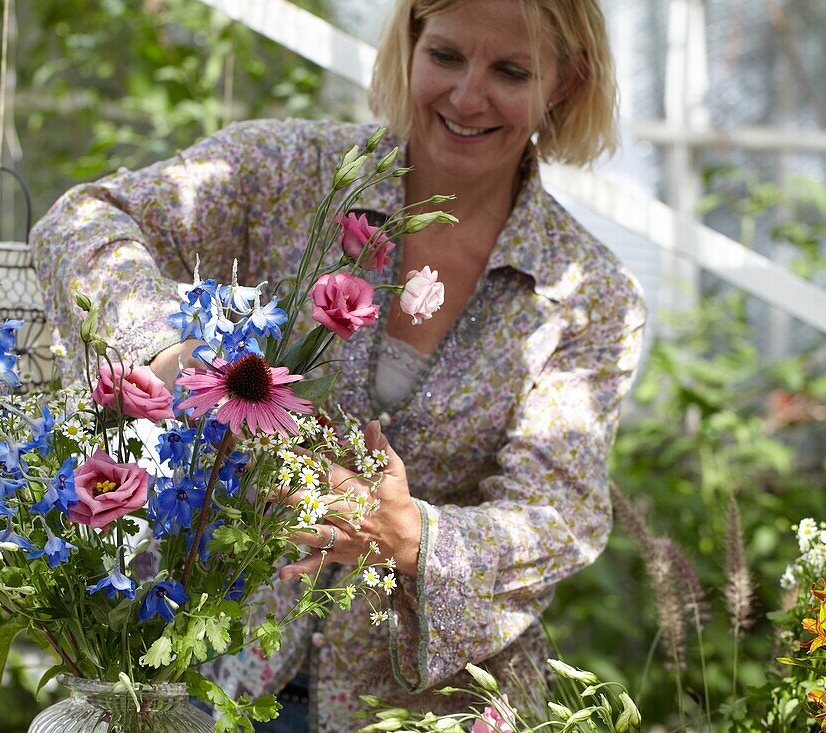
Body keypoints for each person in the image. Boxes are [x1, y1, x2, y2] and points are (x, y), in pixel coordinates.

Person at [31, 0, 646, 730]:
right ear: (411, 40)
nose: (467, 95)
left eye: (511, 71)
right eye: (446, 56)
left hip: (425, 710)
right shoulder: (298, 175)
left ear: (566, 83)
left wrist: (409, 533)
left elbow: (558, 517)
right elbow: (82, 218)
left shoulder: (587, 294)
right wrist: (166, 348)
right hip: (217, 679)